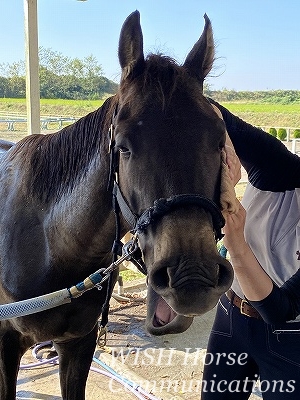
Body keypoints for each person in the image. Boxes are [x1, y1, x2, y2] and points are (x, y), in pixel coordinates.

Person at [201, 99, 300, 399]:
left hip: (290, 339)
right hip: (230, 318)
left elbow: (279, 310)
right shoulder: (281, 170)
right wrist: (226, 147)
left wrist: (237, 244)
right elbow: (222, 117)